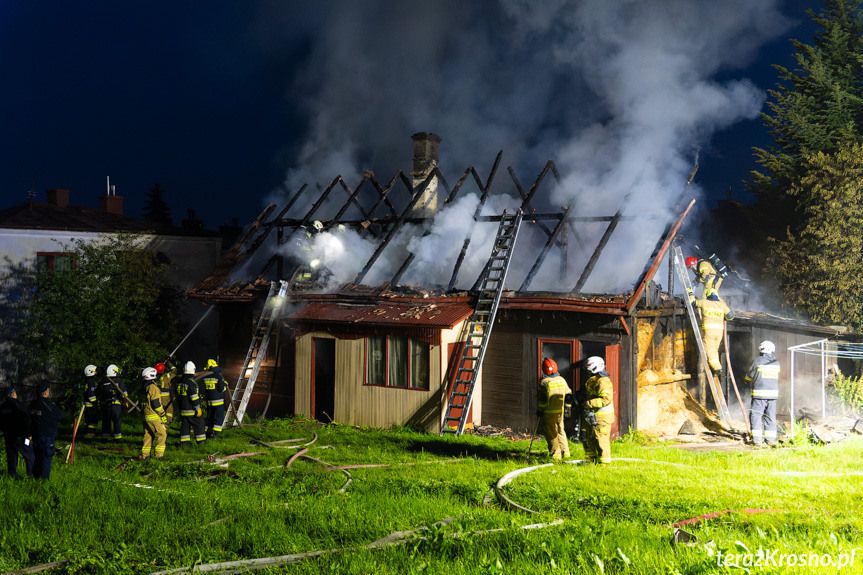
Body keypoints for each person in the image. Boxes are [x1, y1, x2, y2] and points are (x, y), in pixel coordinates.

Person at [688, 289, 734, 382]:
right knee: (714, 349)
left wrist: (690, 293)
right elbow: (731, 316)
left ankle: (716, 367)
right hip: (719, 332)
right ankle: (714, 366)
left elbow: (692, 303)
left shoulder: (704, 302)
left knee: (709, 349)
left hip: (709, 331)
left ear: (708, 295)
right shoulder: (722, 305)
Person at [745, 340, 781, 446]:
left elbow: (750, 375)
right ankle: (770, 440)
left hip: (760, 395)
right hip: (773, 395)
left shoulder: (757, 361)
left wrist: (745, 381)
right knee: (770, 416)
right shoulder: (776, 363)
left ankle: (757, 440)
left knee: (756, 415)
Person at [537, 358, 573, 461]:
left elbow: (543, 400)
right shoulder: (561, 379)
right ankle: (565, 452)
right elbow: (569, 395)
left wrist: (540, 410)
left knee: (551, 432)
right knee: (561, 430)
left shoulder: (544, 382)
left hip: (549, 413)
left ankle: (555, 455)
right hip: (560, 412)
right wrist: (568, 407)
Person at [581, 356, 615, 465]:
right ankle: (591, 460)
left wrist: (589, 404)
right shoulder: (595, 379)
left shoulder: (603, 381)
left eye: (589, 370)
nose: (588, 372)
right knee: (589, 439)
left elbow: (606, 399)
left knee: (601, 440)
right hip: (594, 415)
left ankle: (604, 464)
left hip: (602, 418)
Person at [30, 382, 65, 480]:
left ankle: (36, 477)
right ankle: (44, 480)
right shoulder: (48, 405)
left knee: (37, 458)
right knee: (46, 458)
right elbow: (61, 414)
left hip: (36, 435)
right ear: (46, 392)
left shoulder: (33, 404)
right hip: (47, 436)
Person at [0, 387, 34, 479]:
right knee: (29, 455)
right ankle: (31, 474)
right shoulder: (18, 405)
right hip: (20, 436)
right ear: (13, 394)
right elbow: (26, 419)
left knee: (12, 457)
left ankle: (13, 475)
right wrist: (28, 434)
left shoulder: (2, 407)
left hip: (8, 436)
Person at [175, 361, 206, 448]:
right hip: (191, 410)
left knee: (185, 427)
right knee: (199, 424)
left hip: (183, 410)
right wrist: (197, 408)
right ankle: (201, 443)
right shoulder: (191, 383)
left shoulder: (179, 382)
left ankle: (184, 444)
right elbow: (194, 397)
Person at [140, 367, 168, 460]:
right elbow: (156, 404)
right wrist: (162, 414)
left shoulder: (143, 387)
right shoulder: (153, 387)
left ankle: (145, 456)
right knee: (162, 434)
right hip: (153, 416)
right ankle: (159, 456)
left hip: (145, 416)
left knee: (148, 436)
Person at [99, 364, 127, 440]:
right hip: (115, 405)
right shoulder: (118, 381)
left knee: (106, 421)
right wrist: (125, 402)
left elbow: (98, 392)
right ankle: (117, 437)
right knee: (117, 421)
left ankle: (105, 436)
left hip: (105, 405)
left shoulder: (103, 381)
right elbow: (124, 392)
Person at [202, 359, 227, 439]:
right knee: (218, 418)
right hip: (218, 402)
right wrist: (225, 385)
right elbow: (221, 389)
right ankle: (215, 434)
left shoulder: (206, 376)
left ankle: (207, 433)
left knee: (209, 417)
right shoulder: (219, 376)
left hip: (209, 401)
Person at [82, 364, 100, 437]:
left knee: (88, 418)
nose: (95, 372)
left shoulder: (86, 380)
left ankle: (88, 432)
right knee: (92, 418)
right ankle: (90, 432)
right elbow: (91, 393)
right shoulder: (91, 381)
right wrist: (94, 402)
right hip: (91, 403)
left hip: (87, 402)